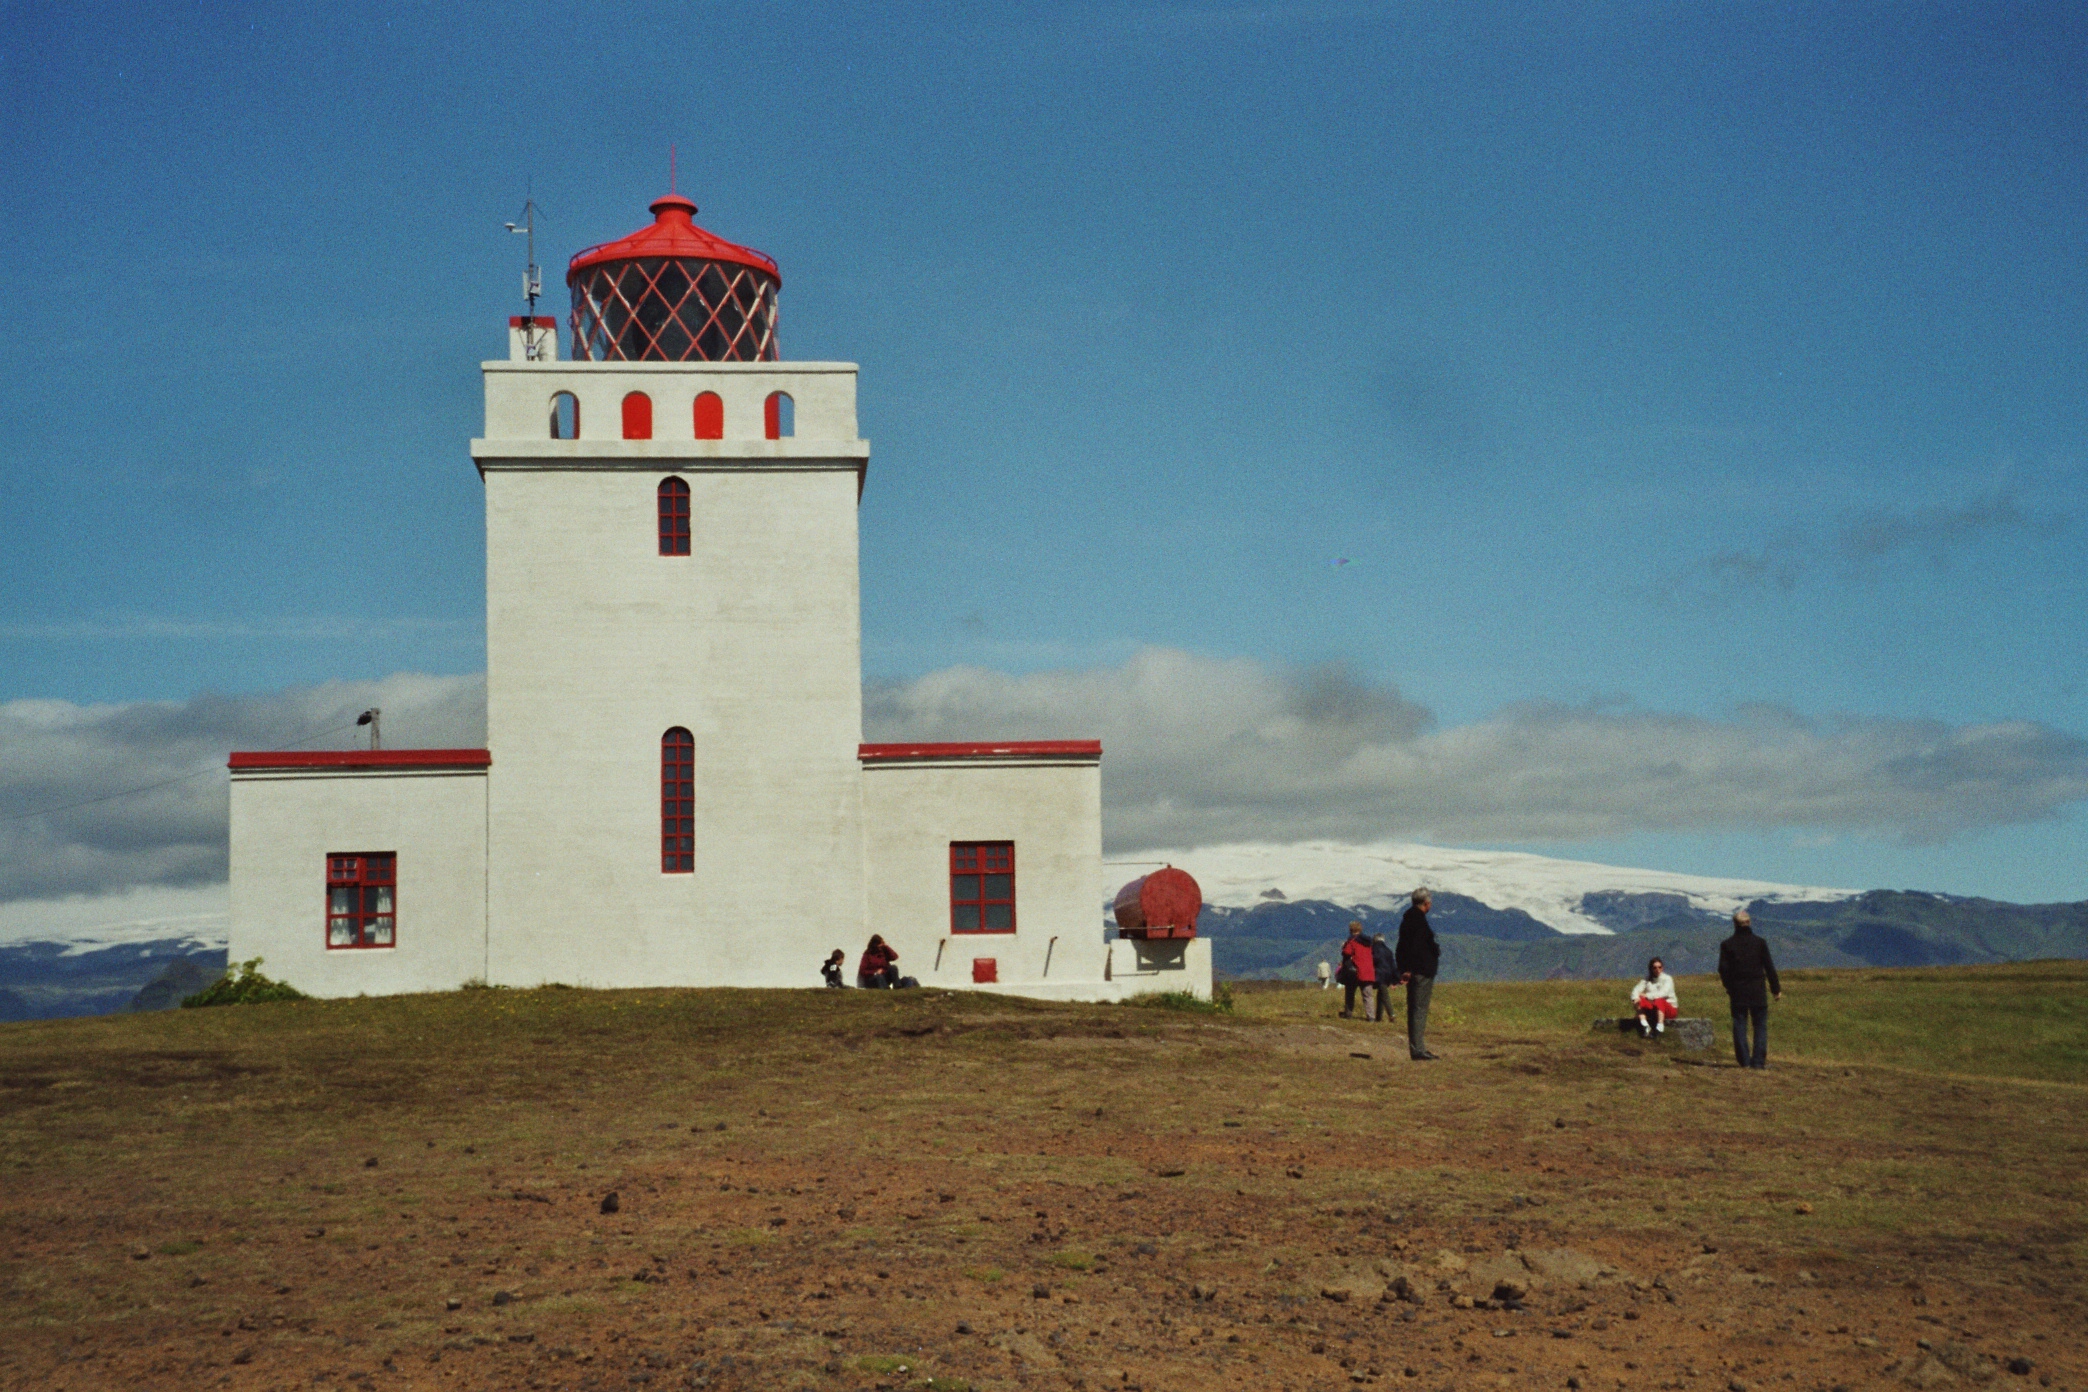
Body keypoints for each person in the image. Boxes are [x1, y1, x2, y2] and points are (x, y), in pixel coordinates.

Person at [1717, 910, 1782, 1069]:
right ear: (1749, 923)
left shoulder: (1727, 944)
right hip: (1757, 990)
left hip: (1738, 990)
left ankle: (1744, 1061)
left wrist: (1729, 987)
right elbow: (1769, 967)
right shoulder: (1760, 943)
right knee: (1760, 1026)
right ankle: (1758, 1062)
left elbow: (1722, 969)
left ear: (1734, 924)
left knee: (1739, 1024)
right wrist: (1775, 989)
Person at [1396, 888, 1441, 1060]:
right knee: (1419, 1009)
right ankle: (1418, 1049)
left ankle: (1418, 1047)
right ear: (1426, 903)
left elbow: (1402, 947)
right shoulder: (1418, 921)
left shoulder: (1408, 919)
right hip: (1420, 970)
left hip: (1414, 969)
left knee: (1416, 1008)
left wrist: (1404, 968)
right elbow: (1415, 947)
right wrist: (1409, 968)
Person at [1629, 957, 1678, 1037]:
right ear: (1651, 969)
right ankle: (1645, 1025)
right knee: (1639, 1000)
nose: (1657, 969)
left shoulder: (1667, 979)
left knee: (1659, 1000)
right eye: (1654, 968)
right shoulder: (1647, 979)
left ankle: (1660, 1027)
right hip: (1654, 1009)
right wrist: (1635, 998)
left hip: (1669, 1009)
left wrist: (1647, 996)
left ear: (1662, 968)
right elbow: (1636, 990)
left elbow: (1663, 993)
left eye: (1659, 967)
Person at [1338, 921, 1377, 1020]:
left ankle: (1348, 1013)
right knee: (1368, 995)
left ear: (1351, 930)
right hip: (1368, 971)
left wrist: (1344, 946)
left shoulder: (1352, 941)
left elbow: (1347, 952)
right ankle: (1371, 1016)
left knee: (1350, 993)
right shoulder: (1368, 942)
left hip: (1355, 971)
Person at [1370, 933, 1399, 1023]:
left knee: (1384, 994)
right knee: (1381, 994)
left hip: (1378, 973)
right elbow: (1393, 965)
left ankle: (1391, 1014)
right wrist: (1395, 980)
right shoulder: (1388, 951)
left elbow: (1372, 961)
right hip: (1388, 974)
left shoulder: (1373, 949)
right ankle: (1378, 1017)